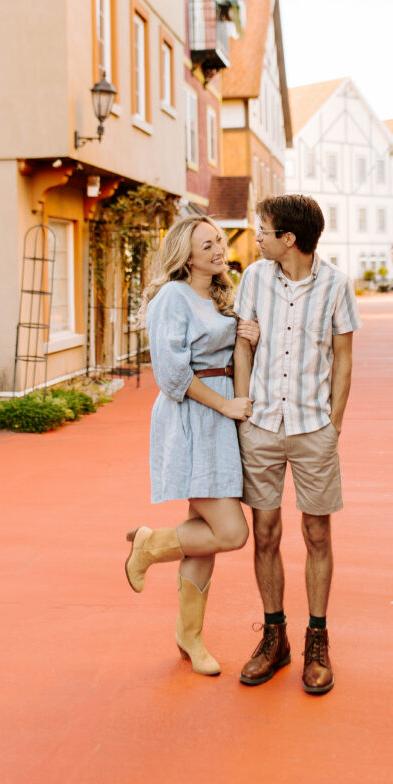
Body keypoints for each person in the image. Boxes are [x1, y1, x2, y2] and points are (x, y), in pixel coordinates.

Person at [233, 194, 361, 695]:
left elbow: (344, 359)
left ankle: (317, 639)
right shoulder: (254, 279)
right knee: (264, 532)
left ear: (289, 239)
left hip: (313, 429)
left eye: (263, 229)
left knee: (317, 535)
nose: (257, 236)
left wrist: (335, 425)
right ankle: (274, 636)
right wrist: (244, 409)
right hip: (262, 426)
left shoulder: (336, 286)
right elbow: (244, 345)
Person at [124, 215, 259, 676]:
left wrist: (249, 339)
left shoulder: (220, 295)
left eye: (219, 240)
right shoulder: (172, 298)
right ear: (186, 253)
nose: (219, 249)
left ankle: (190, 636)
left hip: (220, 418)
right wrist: (225, 407)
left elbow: (229, 356)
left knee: (204, 541)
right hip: (193, 419)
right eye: (207, 244)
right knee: (231, 533)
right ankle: (147, 546)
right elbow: (173, 374)